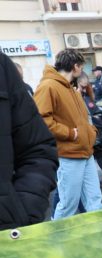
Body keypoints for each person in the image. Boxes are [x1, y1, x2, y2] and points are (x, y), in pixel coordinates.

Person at [34, 49, 102, 219]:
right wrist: (71, 134)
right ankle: (57, 236)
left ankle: (100, 233)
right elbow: (40, 120)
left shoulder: (70, 88)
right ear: (75, 66)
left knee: (95, 202)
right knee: (68, 205)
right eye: (82, 66)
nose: (83, 70)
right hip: (69, 155)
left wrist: (90, 132)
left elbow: (83, 119)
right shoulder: (48, 86)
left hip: (85, 152)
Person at [0, 52, 58, 230]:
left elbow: (37, 148)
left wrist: (23, 211)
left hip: (6, 234)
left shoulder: (2, 67)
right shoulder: (49, 86)